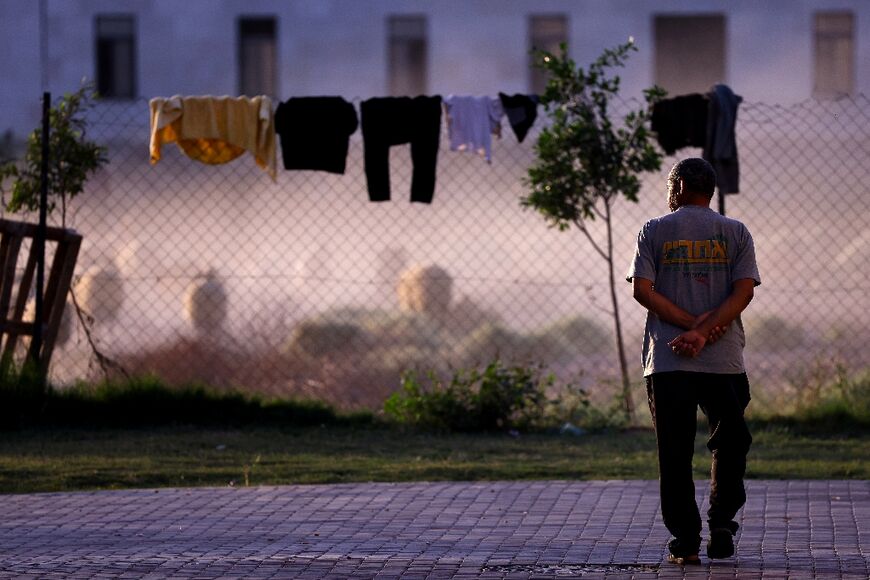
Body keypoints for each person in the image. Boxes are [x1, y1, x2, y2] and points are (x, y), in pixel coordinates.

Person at [626, 158, 761, 565]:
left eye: (670, 186)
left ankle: (685, 541)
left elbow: (642, 291)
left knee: (674, 450)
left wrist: (690, 327)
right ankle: (721, 526)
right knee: (731, 442)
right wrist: (705, 329)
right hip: (723, 360)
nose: (669, 194)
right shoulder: (736, 231)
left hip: (669, 361)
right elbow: (743, 292)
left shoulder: (653, 230)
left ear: (681, 186)